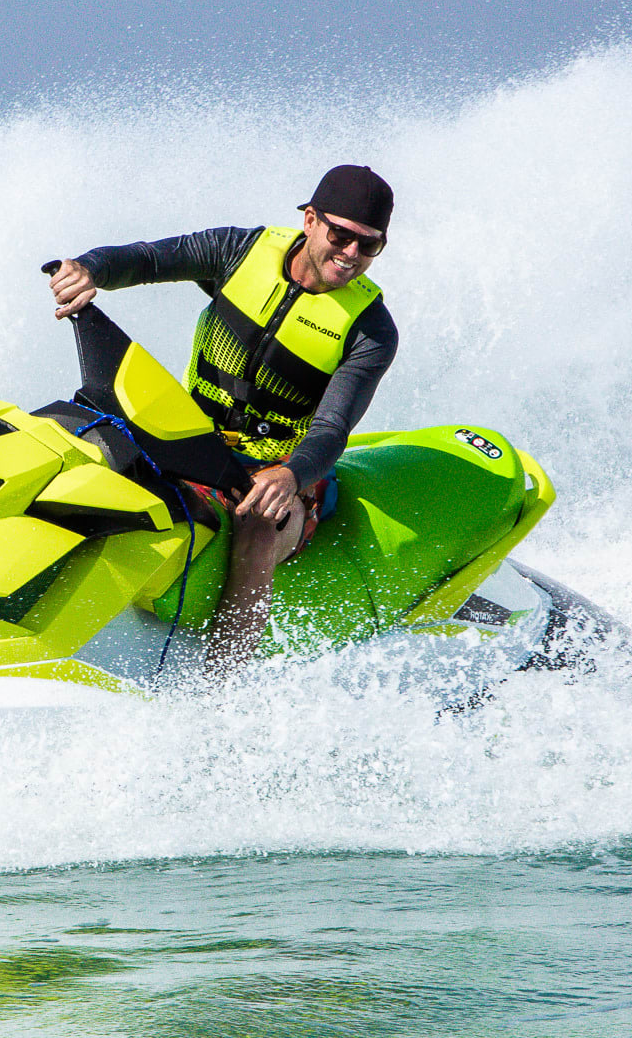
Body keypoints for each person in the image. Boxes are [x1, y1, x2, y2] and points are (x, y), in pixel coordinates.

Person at [47, 164, 398, 674]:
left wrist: (291, 474)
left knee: (258, 522)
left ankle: (220, 686)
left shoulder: (371, 330)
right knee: (84, 437)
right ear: (309, 220)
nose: (350, 255)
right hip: (191, 440)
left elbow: (332, 430)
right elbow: (147, 259)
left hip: (277, 472)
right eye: (341, 235)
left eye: (369, 246)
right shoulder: (238, 252)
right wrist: (90, 269)